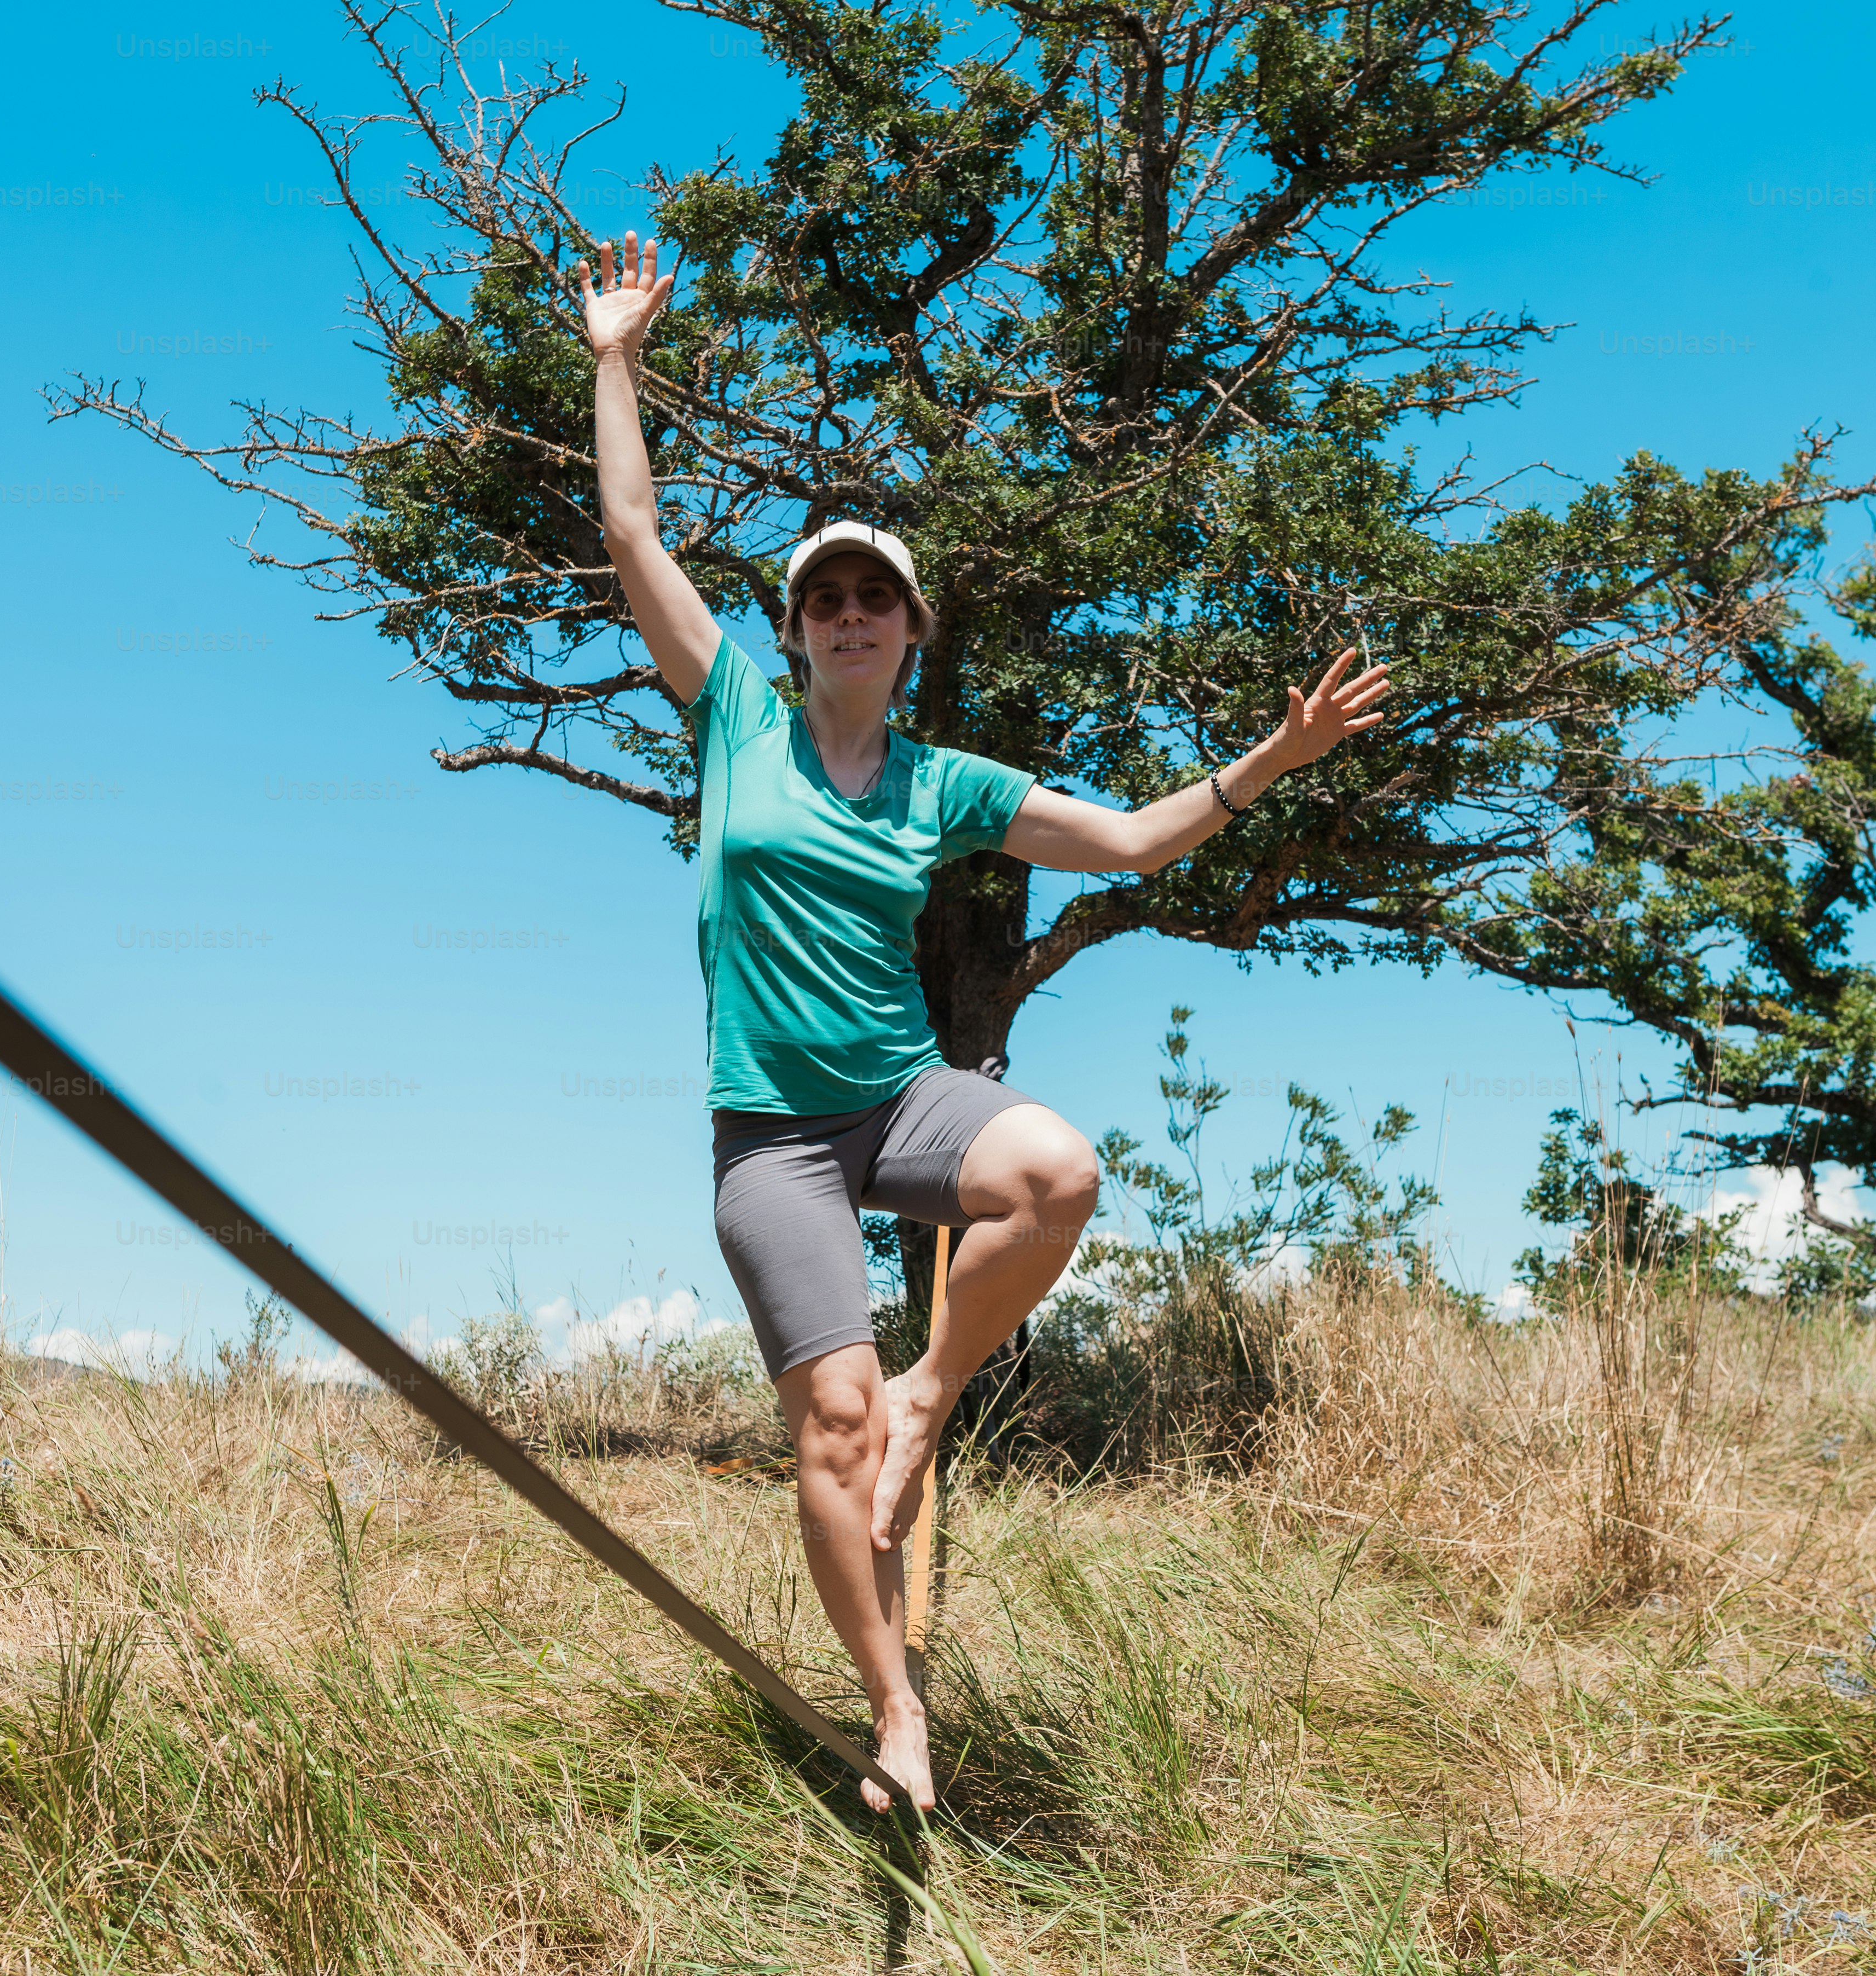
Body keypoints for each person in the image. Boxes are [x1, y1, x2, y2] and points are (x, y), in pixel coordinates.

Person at [575, 232, 1394, 1812]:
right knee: (824, 1423)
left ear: (912, 631)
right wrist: (617, 356)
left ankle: (935, 1387)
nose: (852, 617)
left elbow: (1141, 844)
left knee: (1060, 1172)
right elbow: (629, 527)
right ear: (800, 630)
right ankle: (893, 1709)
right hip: (776, 1137)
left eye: (878, 597)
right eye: (828, 599)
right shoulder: (738, 717)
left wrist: (1269, 763)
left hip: (898, 1096)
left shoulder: (947, 784)